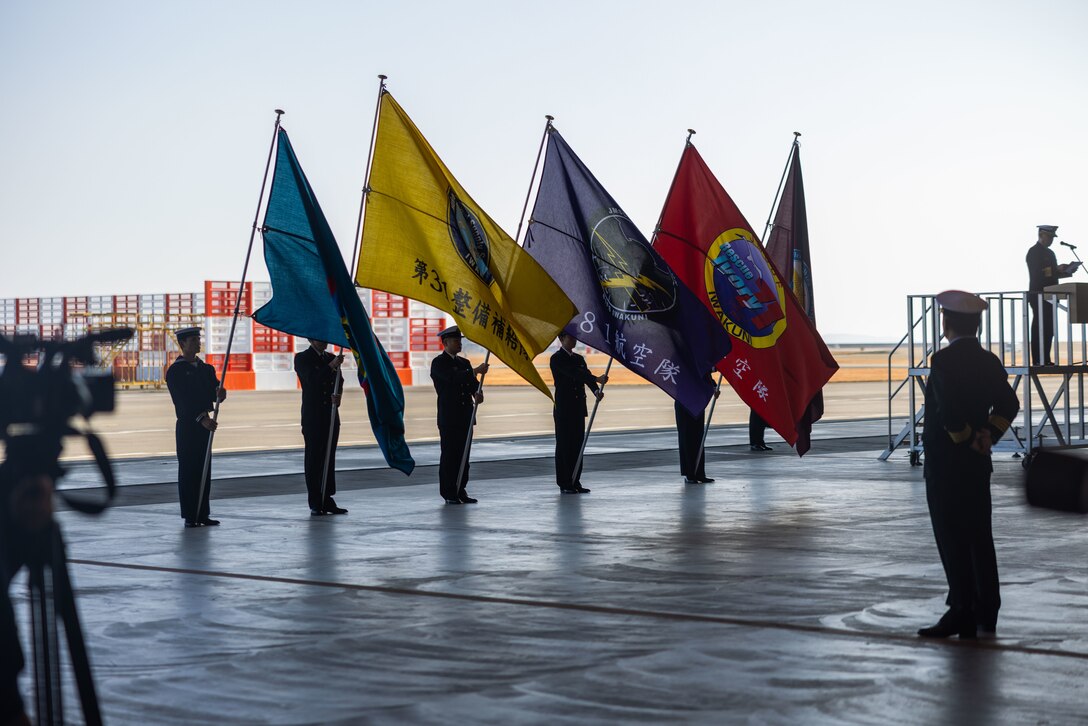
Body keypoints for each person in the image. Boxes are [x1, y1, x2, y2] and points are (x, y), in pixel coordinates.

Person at [917, 290, 1019, 640]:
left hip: (947, 465)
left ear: (945, 323)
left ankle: (961, 608)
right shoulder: (989, 361)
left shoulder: (943, 361)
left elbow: (948, 413)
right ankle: (986, 610)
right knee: (979, 536)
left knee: (952, 537)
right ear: (977, 323)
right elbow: (1010, 403)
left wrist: (963, 438)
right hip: (978, 464)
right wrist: (987, 435)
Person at [165, 327, 226, 528]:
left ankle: (203, 513)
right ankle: (191, 515)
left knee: (204, 470)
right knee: (189, 471)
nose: (198, 342)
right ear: (182, 344)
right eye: (193, 340)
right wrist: (201, 418)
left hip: (205, 425)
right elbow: (182, 402)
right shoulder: (176, 371)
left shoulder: (206, 369)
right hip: (189, 426)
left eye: (198, 339)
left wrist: (220, 392)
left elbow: (214, 391)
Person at [430, 326, 488, 504]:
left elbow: (472, 385)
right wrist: (475, 371)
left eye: (460, 340)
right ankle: (449, 492)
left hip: (466, 416)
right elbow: (453, 379)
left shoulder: (465, 363)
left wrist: (478, 394)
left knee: (464, 456)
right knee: (450, 456)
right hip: (450, 417)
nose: (459, 343)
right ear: (445, 343)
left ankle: (460, 488)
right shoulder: (439, 363)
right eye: (456, 341)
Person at [294, 339, 348, 516]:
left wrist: (338, 395)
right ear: (310, 339)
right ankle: (316, 501)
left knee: (328, 457)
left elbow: (339, 380)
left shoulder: (331, 357)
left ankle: (328, 498)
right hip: (313, 416)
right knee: (314, 458)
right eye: (319, 338)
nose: (323, 342)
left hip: (330, 414)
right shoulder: (302, 358)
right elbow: (313, 380)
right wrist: (332, 365)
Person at [550, 332, 608, 493]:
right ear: (561, 339)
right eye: (570, 338)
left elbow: (587, 378)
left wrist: (596, 391)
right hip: (564, 408)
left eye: (574, 337)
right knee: (564, 445)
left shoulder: (579, 359)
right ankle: (564, 482)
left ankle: (575, 480)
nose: (574, 340)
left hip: (578, 408)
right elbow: (574, 373)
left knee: (577, 444)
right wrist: (596, 378)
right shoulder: (557, 359)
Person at [1025, 224, 1078, 366]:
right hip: (1038, 294)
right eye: (1049, 237)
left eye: (1052, 238)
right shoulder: (1034, 252)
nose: (1051, 240)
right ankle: (1037, 360)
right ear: (1041, 235)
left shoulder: (1050, 253)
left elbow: (1052, 275)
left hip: (1051, 295)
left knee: (1049, 329)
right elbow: (1038, 273)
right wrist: (1056, 269)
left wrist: (1066, 271)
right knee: (1039, 328)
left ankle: (1046, 359)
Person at [675, 374, 719, 483]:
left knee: (698, 437)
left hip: (697, 400)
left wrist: (713, 387)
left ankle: (699, 473)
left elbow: (704, 372)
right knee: (687, 437)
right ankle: (689, 474)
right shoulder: (681, 358)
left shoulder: (696, 358)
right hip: (684, 398)